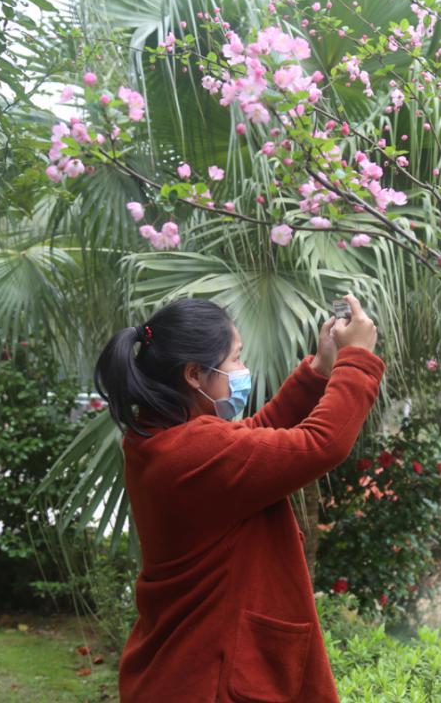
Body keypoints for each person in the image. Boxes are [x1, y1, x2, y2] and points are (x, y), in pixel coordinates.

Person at [93, 293, 383, 702]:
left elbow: (252, 443)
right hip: (213, 680)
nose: (244, 370)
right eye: (235, 359)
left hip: (183, 672)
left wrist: (320, 370)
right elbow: (323, 444)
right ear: (194, 375)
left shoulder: (159, 438)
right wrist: (357, 361)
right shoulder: (193, 451)